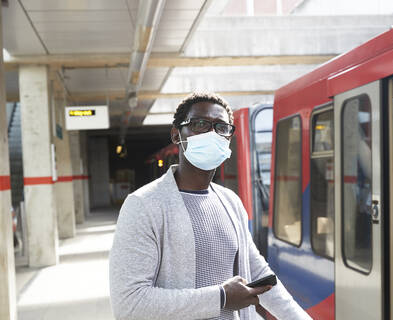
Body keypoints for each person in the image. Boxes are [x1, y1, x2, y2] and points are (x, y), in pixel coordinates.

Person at [109, 92, 311, 320]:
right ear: (177, 135)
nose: (212, 134)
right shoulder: (143, 206)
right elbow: (130, 304)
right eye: (200, 124)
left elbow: (258, 273)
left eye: (221, 127)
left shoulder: (230, 202)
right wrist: (221, 298)